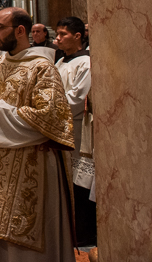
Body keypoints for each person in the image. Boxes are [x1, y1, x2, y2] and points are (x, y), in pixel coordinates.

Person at [0, 7, 75, 261]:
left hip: (31, 162)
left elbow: (51, 117)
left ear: (20, 30)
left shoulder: (42, 68)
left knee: (24, 230)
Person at [54, 16, 96, 246]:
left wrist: (48, 106)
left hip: (77, 130)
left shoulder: (86, 63)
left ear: (78, 36)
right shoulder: (60, 62)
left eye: (63, 34)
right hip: (58, 128)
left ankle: (83, 234)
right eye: (58, 34)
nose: (57, 39)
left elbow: (76, 99)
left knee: (79, 182)